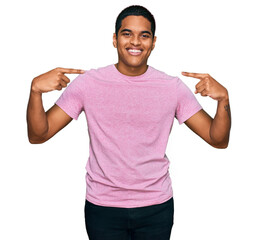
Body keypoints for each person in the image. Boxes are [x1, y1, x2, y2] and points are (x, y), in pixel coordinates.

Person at [26, 5, 231, 240]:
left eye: (144, 35)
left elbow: (218, 140)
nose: (135, 42)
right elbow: (39, 135)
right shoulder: (88, 84)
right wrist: (35, 92)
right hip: (102, 207)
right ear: (114, 39)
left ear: (153, 42)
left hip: (156, 207)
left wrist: (223, 99)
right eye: (127, 34)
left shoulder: (171, 87)